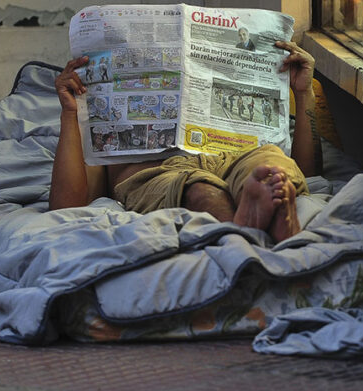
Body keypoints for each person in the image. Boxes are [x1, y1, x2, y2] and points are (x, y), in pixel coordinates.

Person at [50, 41, 322, 243]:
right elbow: (66, 207)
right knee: (198, 191)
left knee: (273, 168)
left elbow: (310, 174)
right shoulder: (94, 111)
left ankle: (259, 220)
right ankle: (250, 231)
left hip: (239, 154)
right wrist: (70, 113)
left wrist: (304, 91)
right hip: (160, 171)